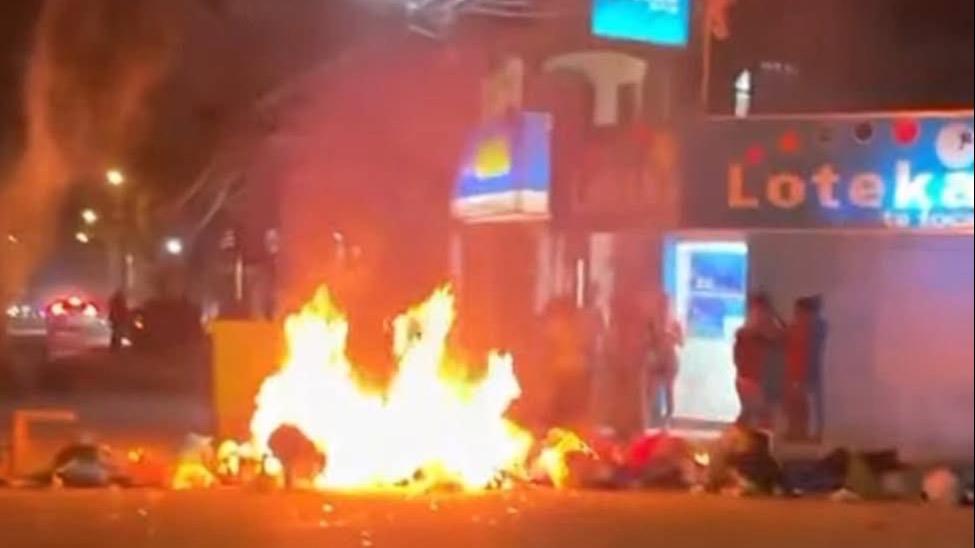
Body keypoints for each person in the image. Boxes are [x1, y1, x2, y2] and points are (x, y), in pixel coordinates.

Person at [733, 294, 781, 428]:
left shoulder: (746, 334)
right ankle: (746, 442)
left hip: (751, 379)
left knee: (751, 414)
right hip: (753, 380)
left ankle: (737, 441)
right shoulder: (753, 335)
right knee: (761, 415)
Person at [645, 294, 683, 429]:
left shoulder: (675, 323)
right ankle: (647, 419)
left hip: (670, 361)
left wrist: (671, 336)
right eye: (662, 305)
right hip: (656, 360)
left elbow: (681, 342)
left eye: (667, 305)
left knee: (668, 390)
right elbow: (647, 341)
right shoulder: (652, 322)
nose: (664, 308)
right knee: (651, 390)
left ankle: (668, 419)